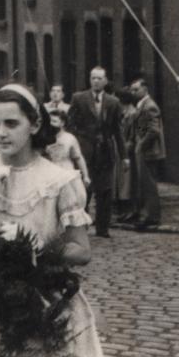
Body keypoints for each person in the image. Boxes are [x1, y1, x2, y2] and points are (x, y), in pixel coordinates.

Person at [0, 84, 103, 357]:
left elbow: (82, 250)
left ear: (34, 125)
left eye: (11, 123)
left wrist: (34, 249)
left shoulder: (59, 180)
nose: (1, 133)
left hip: (50, 308)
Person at [66, 67, 127, 238]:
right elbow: (70, 124)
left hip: (106, 152)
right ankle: (82, 227)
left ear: (106, 81)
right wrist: (74, 146)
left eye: (99, 78)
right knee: (84, 190)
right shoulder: (79, 98)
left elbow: (118, 130)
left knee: (105, 191)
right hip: (85, 152)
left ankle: (102, 228)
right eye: (93, 78)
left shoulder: (113, 102)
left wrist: (125, 156)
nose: (96, 81)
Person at [129, 76, 165, 230]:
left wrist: (140, 145)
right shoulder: (141, 104)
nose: (133, 92)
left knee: (149, 184)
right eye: (132, 89)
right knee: (143, 184)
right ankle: (145, 214)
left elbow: (154, 130)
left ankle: (152, 217)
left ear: (145, 89)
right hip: (143, 150)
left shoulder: (149, 106)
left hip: (148, 152)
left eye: (136, 89)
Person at [45, 110, 90, 191]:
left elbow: (78, 158)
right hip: (49, 175)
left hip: (67, 174)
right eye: (49, 121)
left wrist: (86, 176)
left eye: (54, 121)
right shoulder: (44, 138)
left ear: (62, 123)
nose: (51, 124)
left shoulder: (69, 138)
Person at [113, 88, 137, 220]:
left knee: (127, 182)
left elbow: (132, 135)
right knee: (121, 182)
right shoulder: (123, 113)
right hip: (119, 151)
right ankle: (121, 209)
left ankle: (128, 210)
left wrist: (125, 149)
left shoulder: (132, 114)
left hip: (127, 153)